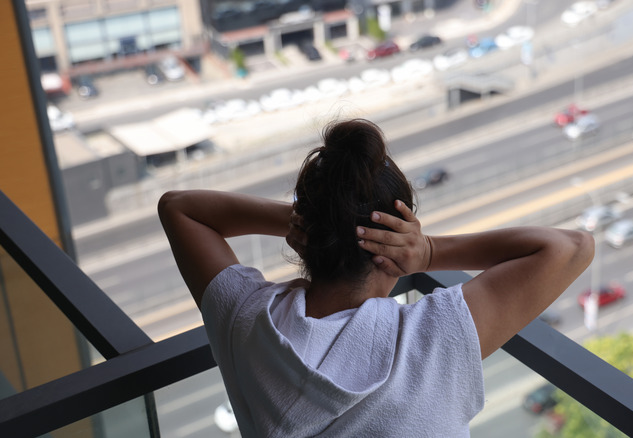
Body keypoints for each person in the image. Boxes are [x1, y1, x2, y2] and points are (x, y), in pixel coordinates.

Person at [158, 118, 594, 437]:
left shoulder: (248, 320)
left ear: (305, 238)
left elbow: (180, 208)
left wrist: (314, 220)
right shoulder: (433, 340)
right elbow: (571, 247)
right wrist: (430, 251)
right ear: (395, 249)